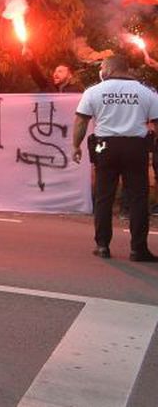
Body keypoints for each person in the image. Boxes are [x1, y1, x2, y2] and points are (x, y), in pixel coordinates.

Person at [71, 55, 158, 262]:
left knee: (104, 196)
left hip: (105, 146)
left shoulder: (94, 91)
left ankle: (102, 246)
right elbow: (156, 123)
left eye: (101, 67)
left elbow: (81, 121)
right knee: (138, 198)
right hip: (135, 147)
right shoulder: (147, 92)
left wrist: (76, 145)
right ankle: (138, 249)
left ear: (107, 69)